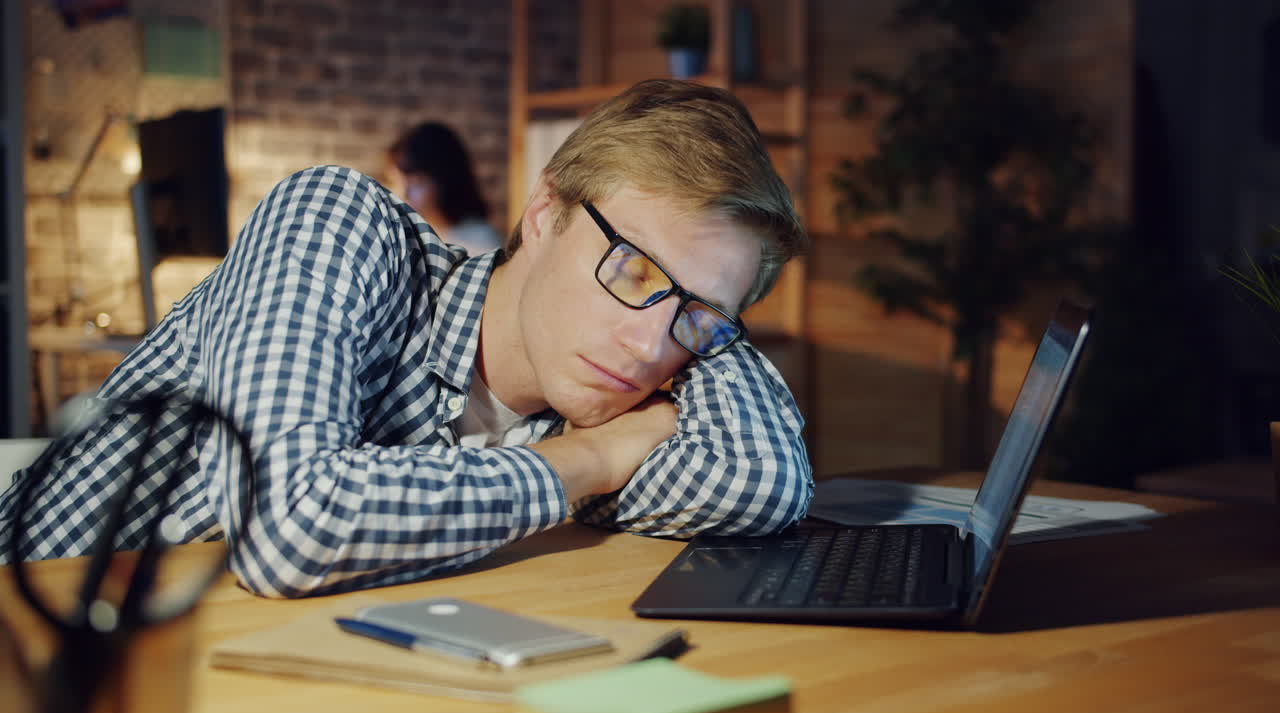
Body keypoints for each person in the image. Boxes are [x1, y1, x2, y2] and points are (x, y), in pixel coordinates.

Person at [0, 79, 812, 598]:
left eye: (695, 318)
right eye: (632, 270)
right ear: (545, 211)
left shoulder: (629, 372)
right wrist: (586, 463)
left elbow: (767, 482)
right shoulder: (338, 221)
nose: (646, 347)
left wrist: (710, 314)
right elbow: (291, 527)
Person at [385, 121, 503, 256]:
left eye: (416, 182)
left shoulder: (481, 242)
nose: (402, 193)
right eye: (394, 181)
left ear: (443, 179)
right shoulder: (406, 238)